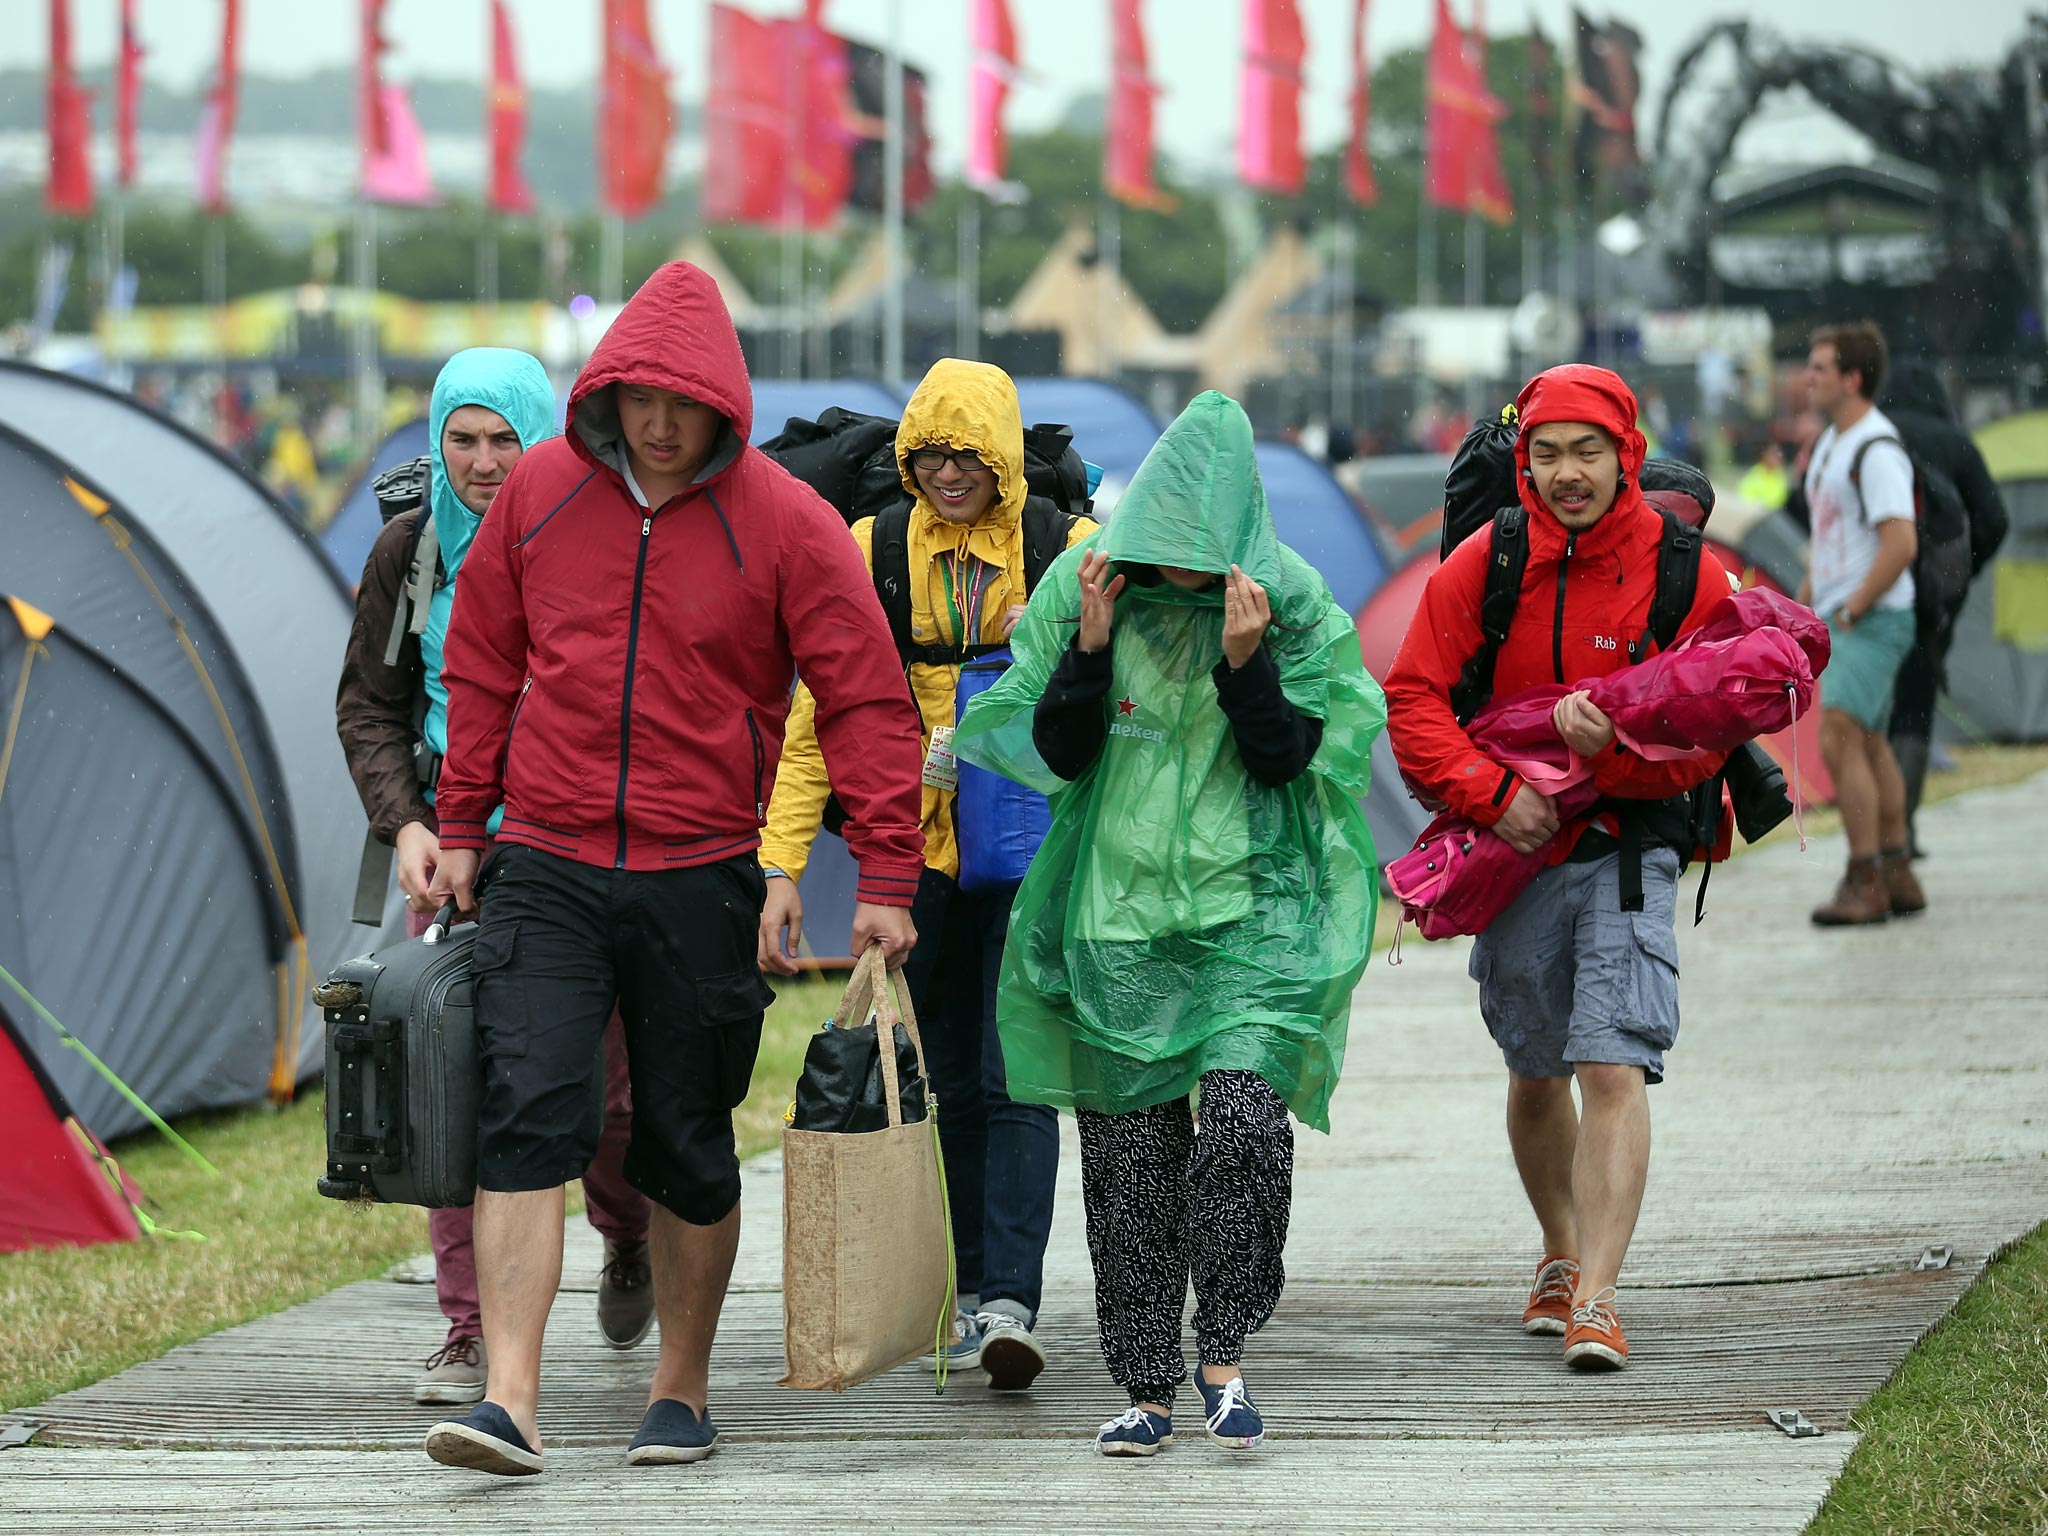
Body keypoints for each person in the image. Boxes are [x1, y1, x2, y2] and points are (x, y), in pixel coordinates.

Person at [418, 263, 926, 1477]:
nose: (655, 420)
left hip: (701, 872)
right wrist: (464, 823)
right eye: (637, 395)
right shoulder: (539, 492)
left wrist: (889, 875)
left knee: (687, 1138)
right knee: (525, 1119)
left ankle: (682, 1390)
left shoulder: (786, 521)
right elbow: (482, 660)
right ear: (605, 391)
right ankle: (509, 1400)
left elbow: (861, 697)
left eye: (680, 401)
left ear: (723, 405)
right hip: (542, 858)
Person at [952, 391, 1383, 1456]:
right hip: (1116, 921)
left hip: (1247, 919)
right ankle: (1144, 1385)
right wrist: (1092, 649)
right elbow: (1052, 751)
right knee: (1129, 1162)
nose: (1182, 568)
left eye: (1204, 544)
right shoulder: (1085, 585)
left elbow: (1290, 761)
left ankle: (1223, 1350)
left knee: (1242, 1125)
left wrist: (1246, 668)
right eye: (1168, 542)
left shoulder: (1288, 604)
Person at [1384, 364, 1733, 1373]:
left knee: (1609, 1061)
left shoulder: (1682, 571)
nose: (1566, 473)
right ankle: (1557, 1247)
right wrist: (1497, 797)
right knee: (1535, 1067)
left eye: (1586, 451)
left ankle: (1597, 1296)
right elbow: (1412, 701)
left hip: (1630, 847)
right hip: (1518, 849)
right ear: (1522, 459)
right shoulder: (1485, 563)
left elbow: (1715, 722)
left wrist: (1613, 748)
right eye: (1545, 454)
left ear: (1626, 452)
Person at [757, 358, 1094, 1389]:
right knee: (946, 1077)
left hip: (1033, 841)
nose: (948, 473)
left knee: (1015, 1071)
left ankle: (1010, 1300)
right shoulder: (873, 549)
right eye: (929, 454)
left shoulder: (1064, 549)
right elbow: (818, 713)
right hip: (914, 854)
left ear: (1002, 457)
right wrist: (780, 863)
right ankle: (975, 1292)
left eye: (968, 454)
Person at [335, 347, 655, 1406]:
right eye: (461, 439)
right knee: (446, 1083)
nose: (480, 462)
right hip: (456, 855)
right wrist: (409, 822)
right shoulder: (409, 549)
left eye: (502, 438)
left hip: (577, 846)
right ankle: (470, 1330)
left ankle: (625, 1234)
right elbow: (371, 705)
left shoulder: (596, 532)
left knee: (603, 1103)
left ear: (542, 436)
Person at [1797, 323, 1922, 925]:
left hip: (1869, 620)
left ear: (1853, 378)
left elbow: (1901, 543)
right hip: (1846, 615)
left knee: (1840, 735)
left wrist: (1849, 611)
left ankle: (1864, 879)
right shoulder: (1831, 444)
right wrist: (1798, 612)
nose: (1810, 376)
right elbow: (1827, 546)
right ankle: (1897, 874)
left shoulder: (1876, 447)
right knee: (1868, 742)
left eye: (1821, 367)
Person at [1879, 360, 2010, 853]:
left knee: (1869, 716)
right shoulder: (1956, 443)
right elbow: (1994, 519)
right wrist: (1959, 576)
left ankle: (1873, 836)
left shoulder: (1875, 436)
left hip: (1873, 593)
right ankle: (1903, 831)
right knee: (1915, 707)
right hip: (1932, 604)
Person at [1737, 441, 1791, 512]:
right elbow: (1744, 494)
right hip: (1754, 512)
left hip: (1773, 514)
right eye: (1773, 455)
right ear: (1765, 456)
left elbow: (1780, 499)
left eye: (1778, 457)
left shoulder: (1781, 476)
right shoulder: (1755, 473)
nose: (1776, 459)